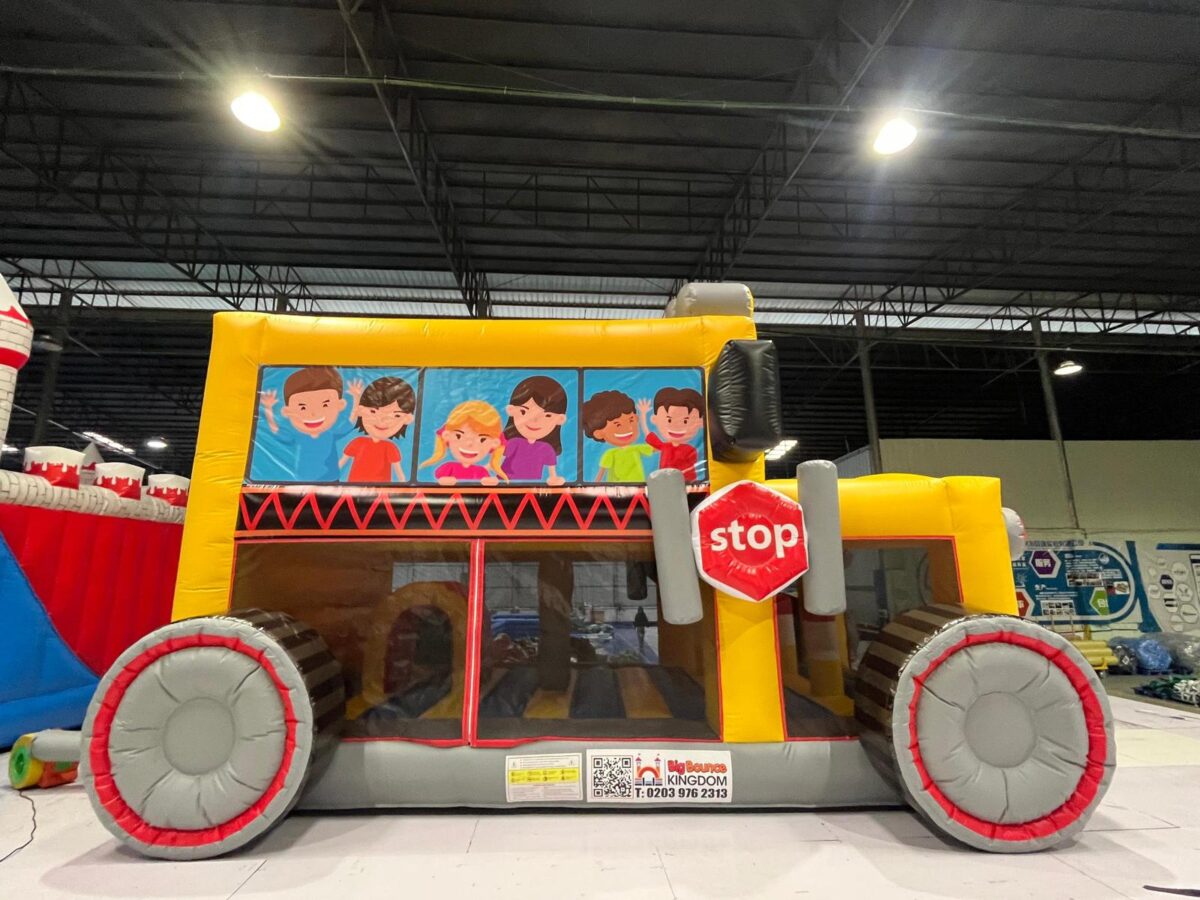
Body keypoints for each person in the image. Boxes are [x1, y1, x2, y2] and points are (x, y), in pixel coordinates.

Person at [259, 366, 360, 482]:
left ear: (340, 405)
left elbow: (351, 421)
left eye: (325, 405)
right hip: (303, 480)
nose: (313, 414)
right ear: (287, 411)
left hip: (331, 479)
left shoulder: (330, 432)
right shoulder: (298, 434)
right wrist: (268, 409)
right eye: (303, 407)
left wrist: (356, 398)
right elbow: (276, 431)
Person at [339, 375, 416, 483]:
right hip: (355, 487)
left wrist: (404, 488)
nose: (382, 421)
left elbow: (400, 474)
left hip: (381, 490)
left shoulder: (390, 447)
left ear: (407, 419)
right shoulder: (357, 442)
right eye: (373, 411)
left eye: (396, 416)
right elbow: (341, 463)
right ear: (361, 411)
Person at [420, 400, 508, 485]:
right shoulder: (449, 467)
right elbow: (439, 478)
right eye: (458, 436)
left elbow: (485, 482)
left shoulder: (481, 471)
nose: (469, 444)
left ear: (494, 443)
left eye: (482, 439)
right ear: (447, 436)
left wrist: (489, 482)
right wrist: (444, 481)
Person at [502, 375, 568, 484]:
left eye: (547, 415)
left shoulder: (547, 449)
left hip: (532, 487)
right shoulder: (514, 443)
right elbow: (497, 461)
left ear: (560, 419)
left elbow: (553, 474)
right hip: (507, 482)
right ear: (511, 410)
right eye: (523, 412)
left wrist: (554, 479)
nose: (535, 421)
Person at [582, 390, 653, 483]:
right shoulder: (610, 454)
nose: (628, 427)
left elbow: (657, 446)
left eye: (631, 420)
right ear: (599, 433)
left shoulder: (637, 449)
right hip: (615, 489)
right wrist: (594, 486)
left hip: (638, 487)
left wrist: (643, 417)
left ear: (636, 418)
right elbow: (601, 473)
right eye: (618, 425)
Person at [639, 386, 704, 482]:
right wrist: (643, 415)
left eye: (685, 421)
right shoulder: (664, 446)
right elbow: (649, 435)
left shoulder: (690, 450)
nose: (677, 426)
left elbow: (692, 471)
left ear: (699, 423)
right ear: (655, 419)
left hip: (684, 484)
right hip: (665, 482)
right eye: (669, 420)